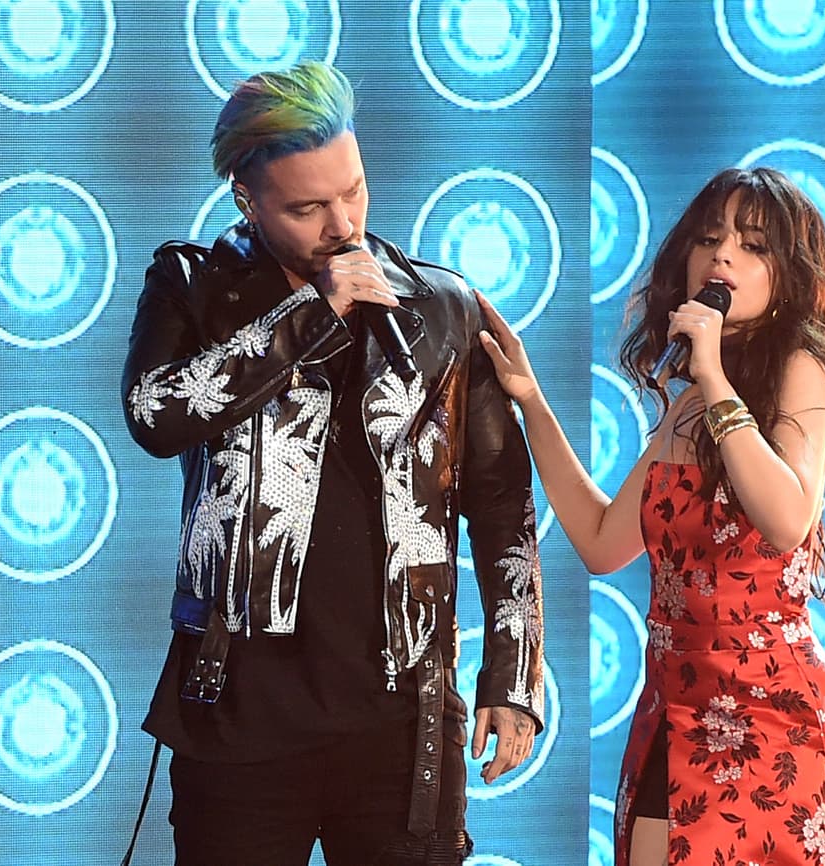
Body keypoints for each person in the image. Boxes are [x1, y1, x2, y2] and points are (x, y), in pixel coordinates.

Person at [121, 60, 544, 866]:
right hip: (242, 708)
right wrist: (310, 315)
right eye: (309, 207)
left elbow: (502, 505)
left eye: (352, 190)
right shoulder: (193, 287)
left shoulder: (443, 306)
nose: (343, 223)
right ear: (247, 198)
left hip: (401, 714)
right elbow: (157, 414)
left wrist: (513, 673)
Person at [478, 166, 825, 866]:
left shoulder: (803, 365)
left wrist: (713, 377)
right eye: (709, 239)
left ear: (789, 276)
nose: (722, 257)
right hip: (674, 706)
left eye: (751, 246)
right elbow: (599, 541)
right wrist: (531, 401)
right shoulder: (688, 408)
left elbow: (786, 515)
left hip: (770, 711)